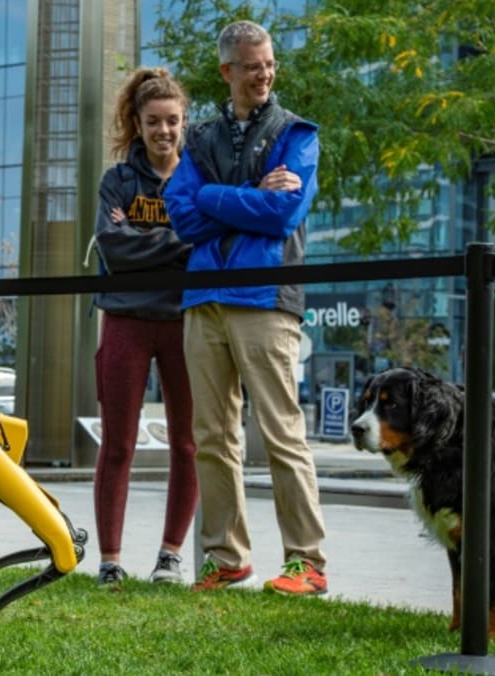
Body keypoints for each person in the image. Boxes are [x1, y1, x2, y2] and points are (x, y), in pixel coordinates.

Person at [163, 20, 328, 595]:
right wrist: (248, 195)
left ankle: (307, 562)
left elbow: (284, 216)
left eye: (270, 63)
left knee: (282, 432)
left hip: (265, 296)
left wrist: (214, 197)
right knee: (211, 435)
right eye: (253, 65)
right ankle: (225, 559)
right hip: (203, 297)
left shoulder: (299, 134)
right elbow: (180, 213)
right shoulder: (201, 137)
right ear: (227, 70)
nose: (265, 73)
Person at [90, 68, 198, 586]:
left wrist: (145, 245)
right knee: (117, 445)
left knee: (188, 443)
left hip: (184, 322)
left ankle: (170, 556)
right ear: (138, 123)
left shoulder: (199, 177)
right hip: (126, 322)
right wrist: (181, 244)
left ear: (184, 122)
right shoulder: (117, 180)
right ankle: (110, 560)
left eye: (173, 121)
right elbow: (115, 248)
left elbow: (210, 244)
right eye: (154, 121)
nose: (164, 131)